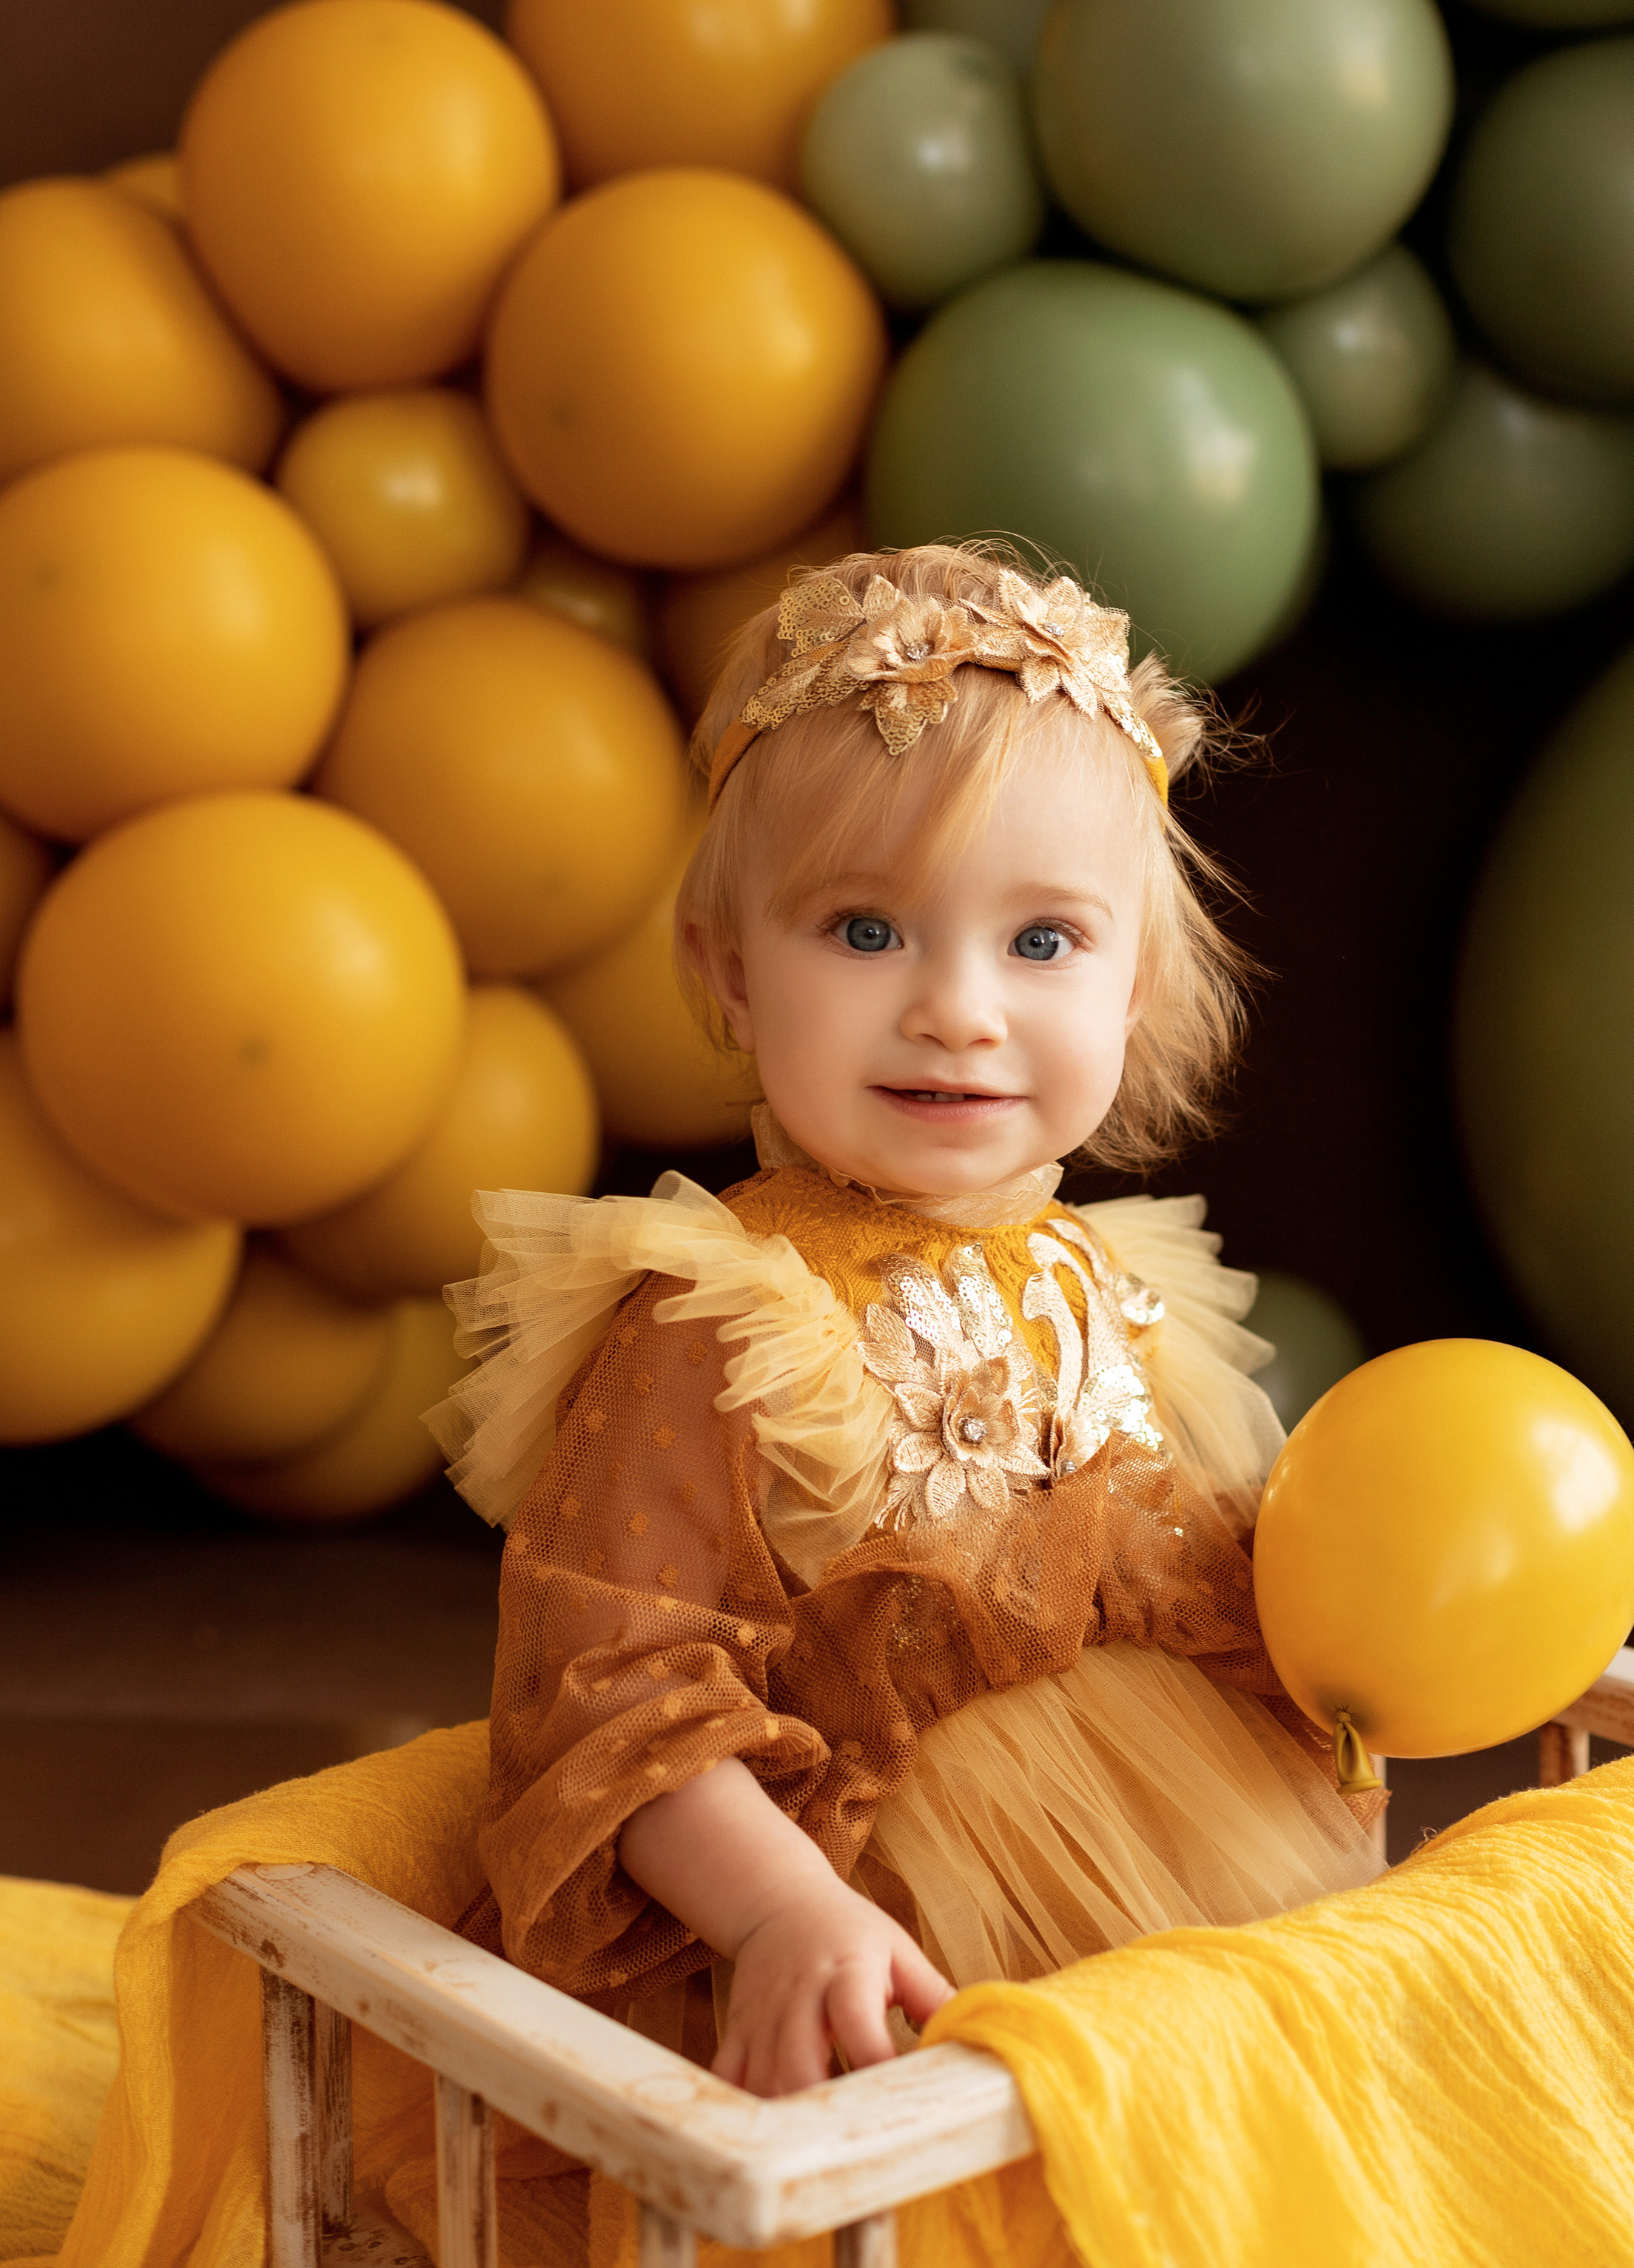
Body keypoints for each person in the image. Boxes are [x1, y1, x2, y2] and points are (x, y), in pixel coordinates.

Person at [431, 542, 1384, 2100]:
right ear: (727, 967)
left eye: (1041, 942)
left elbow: (1191, 1586)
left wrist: (1331, 1691)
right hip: (880, 1912)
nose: (958, 1007)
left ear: (1131, 983)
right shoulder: (721, 1310)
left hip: (1173, 1852)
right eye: (867, 932)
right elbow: (604, 1691)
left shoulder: (1103, 1281)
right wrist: (781, 1911)